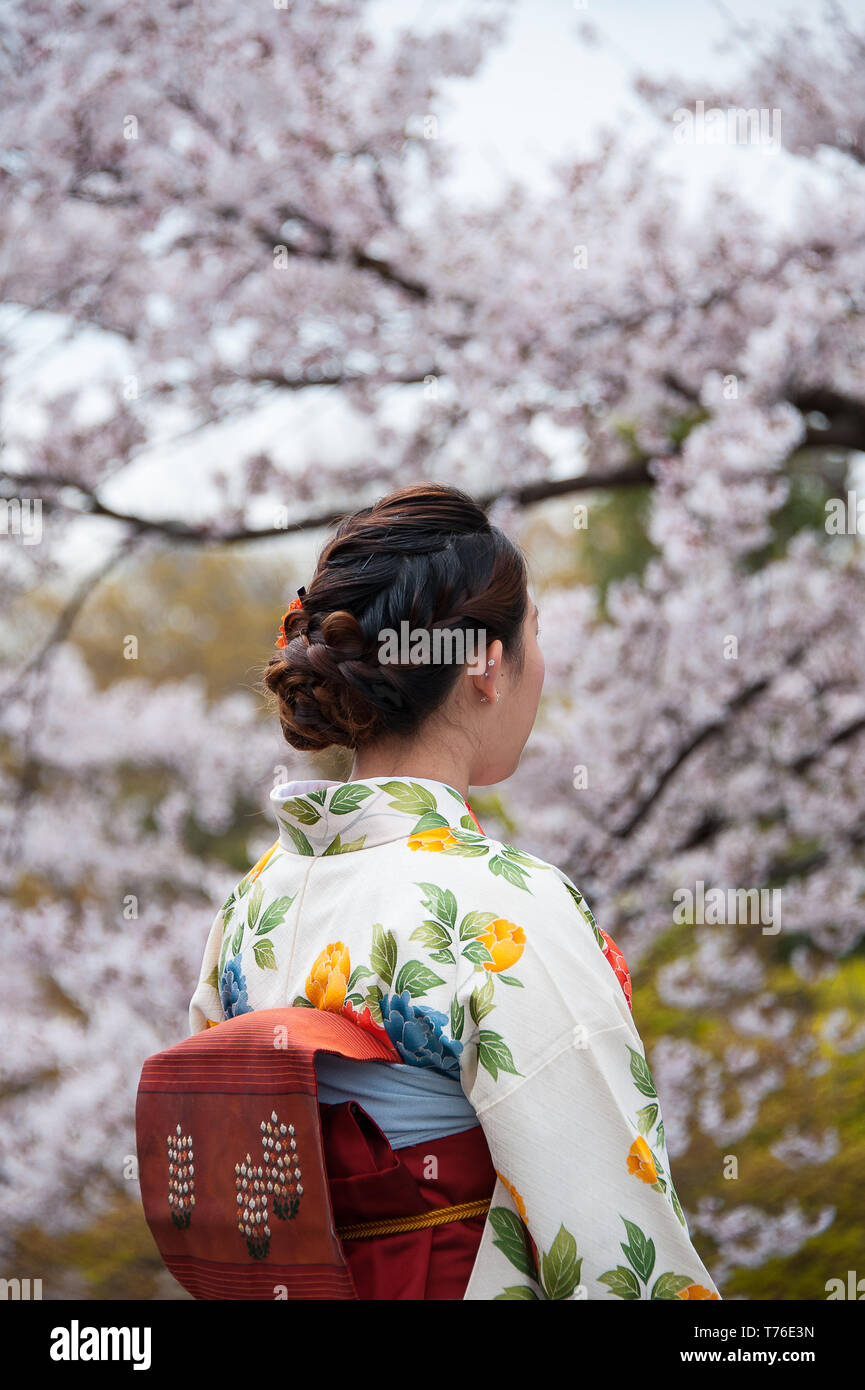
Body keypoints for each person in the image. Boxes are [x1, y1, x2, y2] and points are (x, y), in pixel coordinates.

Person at [188, 481, 720, 1301]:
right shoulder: (500, 904)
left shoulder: (250, 906)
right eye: (533, 636)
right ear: (483, 663)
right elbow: (614, 1237)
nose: (539, 668)